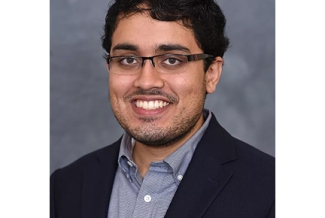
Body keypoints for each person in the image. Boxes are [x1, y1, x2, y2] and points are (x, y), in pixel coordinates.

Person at [50, 0, 275, 217]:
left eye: (172, 60)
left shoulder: (272, 190)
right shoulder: (64, 188)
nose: (146, 82)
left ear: (211, 74)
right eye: (128, 60)